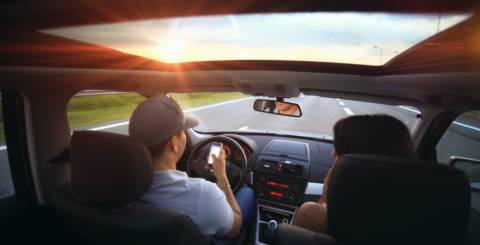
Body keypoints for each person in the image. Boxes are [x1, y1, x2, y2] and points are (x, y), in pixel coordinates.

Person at [128, 96, 255, 240]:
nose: (185, 137)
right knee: (247, 192)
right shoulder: (204, 194)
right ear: (174, 143)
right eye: (183, 132)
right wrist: (222, 177)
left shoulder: (118, 187)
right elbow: (235, 228)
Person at [293, 114, 416, 233]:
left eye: (339, 149)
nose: (333, 153)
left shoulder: (316, 216)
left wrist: (327, 195)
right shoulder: (419, 211)